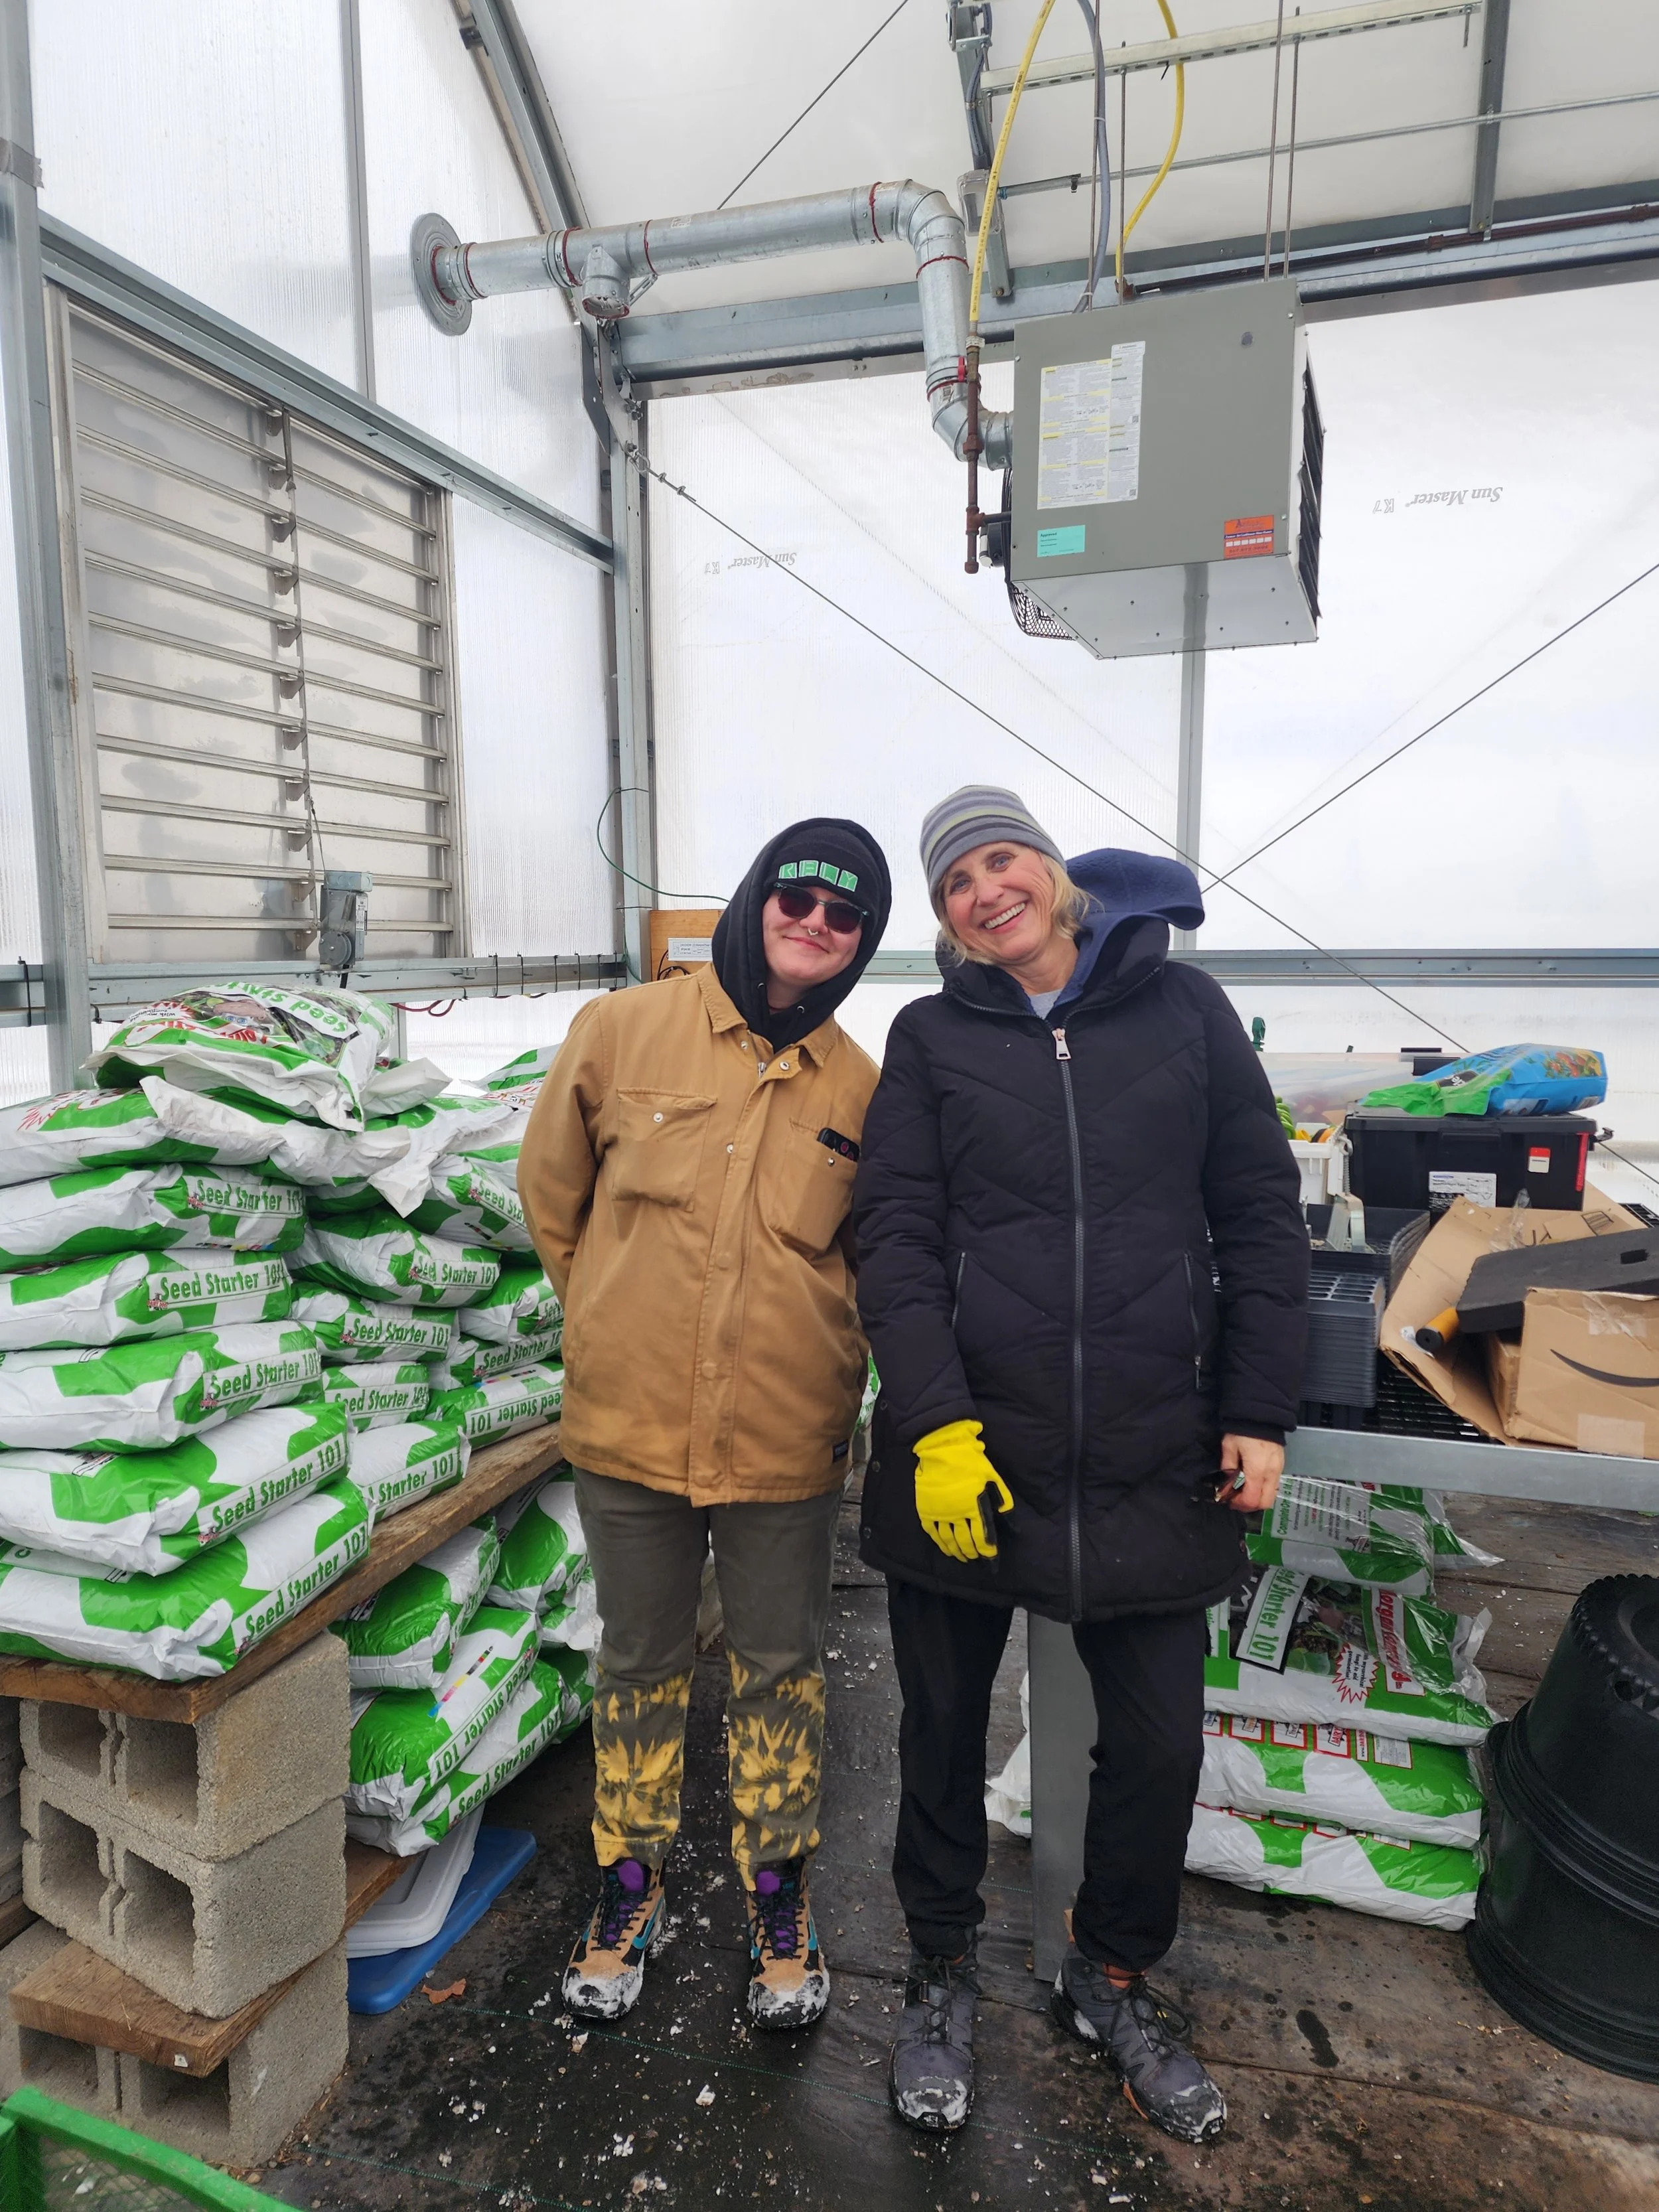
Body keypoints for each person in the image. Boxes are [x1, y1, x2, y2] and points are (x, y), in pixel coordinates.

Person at [851, 785, 1307, 2144]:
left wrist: (1259, 1409)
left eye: (999, 862)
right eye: (952, 885)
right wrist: (932, 1421)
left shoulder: (1187, 1014)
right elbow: (893, 1233)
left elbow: (1258, 1215)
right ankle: (937, 1967)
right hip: (969, 1454)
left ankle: (1109, 1974)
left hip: (1149, 1447)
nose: (982, 891)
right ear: (944, 922)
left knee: (1157, 1744)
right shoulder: (929, 1037)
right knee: (934, 1732)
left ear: (1053, 873)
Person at [518, 820, 891, 2034]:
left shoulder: (860, 1085)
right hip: (630, 1430)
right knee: (640, 1661)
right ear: (757, 897)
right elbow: (553, 1198)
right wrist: (611, 1324)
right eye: (800, 896)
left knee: (779, 1667)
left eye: (846, 917)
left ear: (861, 943)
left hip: (786, 1438)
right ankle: (630, 1886)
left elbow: (870, 1256)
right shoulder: (627, 1030)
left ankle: (777, 1894)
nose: (816, 924)